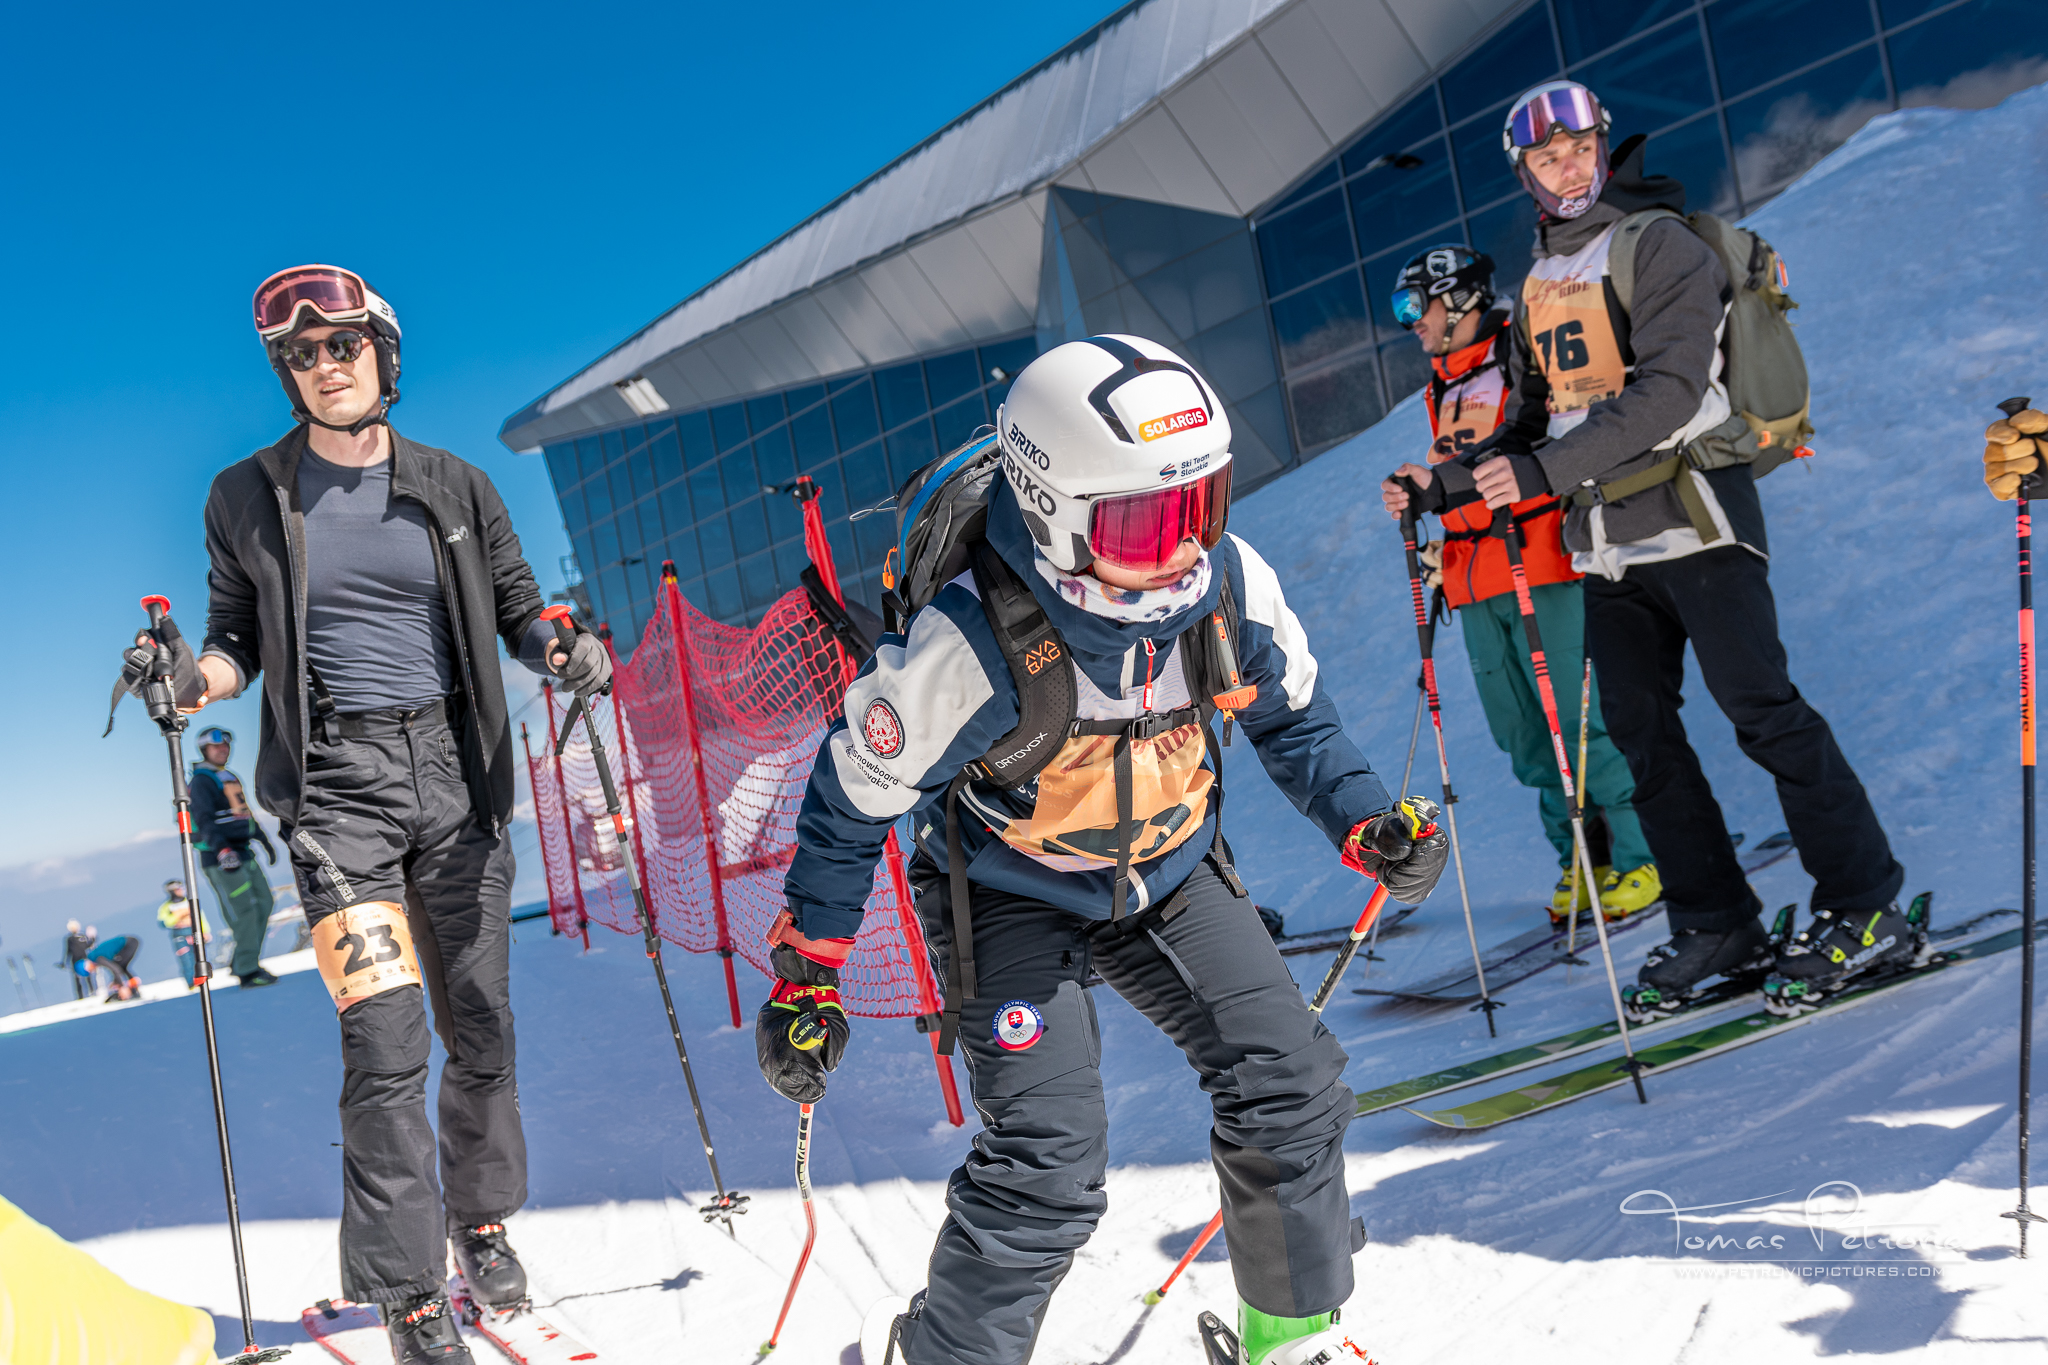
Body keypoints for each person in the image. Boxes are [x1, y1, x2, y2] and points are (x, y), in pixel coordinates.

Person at [756, 336, 1448, 1365]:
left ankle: (1289, 1339)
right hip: (1010, 888)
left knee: (1290, 1084)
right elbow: (853, 798)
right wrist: (809, 972)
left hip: (1169, 871)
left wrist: (1364, 818)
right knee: (1048, 1161)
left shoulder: (1226, 583)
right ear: (1055, 513)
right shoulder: (969, 644)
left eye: (1198, 506)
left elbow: (1293, 717)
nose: (1180, 550)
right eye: (1142, 522)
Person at [178, 264, 613, 1364]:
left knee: (482, 1024)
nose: (324, 365)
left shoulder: (457, 485)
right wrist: (192, 681)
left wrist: (561, 650)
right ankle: (411, 1292)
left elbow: (521, 610)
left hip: (456, 781)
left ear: (382, 352)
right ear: (286, 373)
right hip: (338, 795)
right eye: (301, 354)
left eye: (343, 345)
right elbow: (232, 638)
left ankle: (481, 1220)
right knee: (383, 1042)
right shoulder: (245, 496)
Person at [1438, 80, 1905, 1017]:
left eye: (1580, 148)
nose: (1567, 168)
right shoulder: (1541, 278)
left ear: (1602, 147)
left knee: (1763, 711)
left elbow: (1671, 391)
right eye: (1547, 157)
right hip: (1605, 544)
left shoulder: (1660, 245)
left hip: (1695, 514)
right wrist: (1443, 486)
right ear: (1525, 173)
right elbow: (1531, 417)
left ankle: (1866, 906)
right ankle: (1717, 922)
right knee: (1641, 735)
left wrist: (1540, 473)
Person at [1378, 244, 1659, 924]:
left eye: (1416, 305)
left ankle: (1642, 855)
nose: (1410, 322)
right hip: (1474, 581)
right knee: (1524, 735)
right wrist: (1422, 499)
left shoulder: (1516, 356)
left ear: (1461, 300)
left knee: (1579, 721)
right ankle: (1580, 859)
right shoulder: (1441, 386)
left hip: (1539, 563)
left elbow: (1537, 447)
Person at [188, 726, 280, 988]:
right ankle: (248, 970)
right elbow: (204, 819)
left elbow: (243, 812)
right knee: (245, 913)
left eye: (226, 745)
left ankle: (242, 960)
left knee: (265, 903)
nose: (223, 749)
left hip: (244, 851)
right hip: (222, 857)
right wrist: (222, 850)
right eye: (216, 746)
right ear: (204, 750)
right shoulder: (201, 781)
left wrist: (263, 840)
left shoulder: (228, 777)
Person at [156, 878, 213, 989]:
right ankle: (191, 982)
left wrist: (205, 931)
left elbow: (200, 917)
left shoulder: (189, 902)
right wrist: (177, 916)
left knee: (199, 957)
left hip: (193, 932)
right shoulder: (166, 907)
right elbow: (164, 923)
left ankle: (203, 979)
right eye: (177, 889)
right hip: (179, 936)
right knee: (186, 960)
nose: (181, 890)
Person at [75, 930, 141, 1002]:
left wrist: (121, 987)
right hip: (130, 941)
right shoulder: (94, 956)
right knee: (121, 967)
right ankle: (132, 988)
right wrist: (116, 981)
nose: (93, 971)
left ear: (87, 967)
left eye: (90, 971)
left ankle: (128, 991)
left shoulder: (98, 959)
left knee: (119, 967)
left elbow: (115, 970)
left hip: (128, 943)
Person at [59, 921, 94, 1001]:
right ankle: (80, 996)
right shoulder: (70, 939)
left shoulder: (82, 936)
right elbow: (68, 951)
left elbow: (87, 946)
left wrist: (92, 939)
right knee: (77, 979)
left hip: (84, 959)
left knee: (87, 975)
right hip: (75, 960)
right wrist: (64, 962)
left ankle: (92, 991)